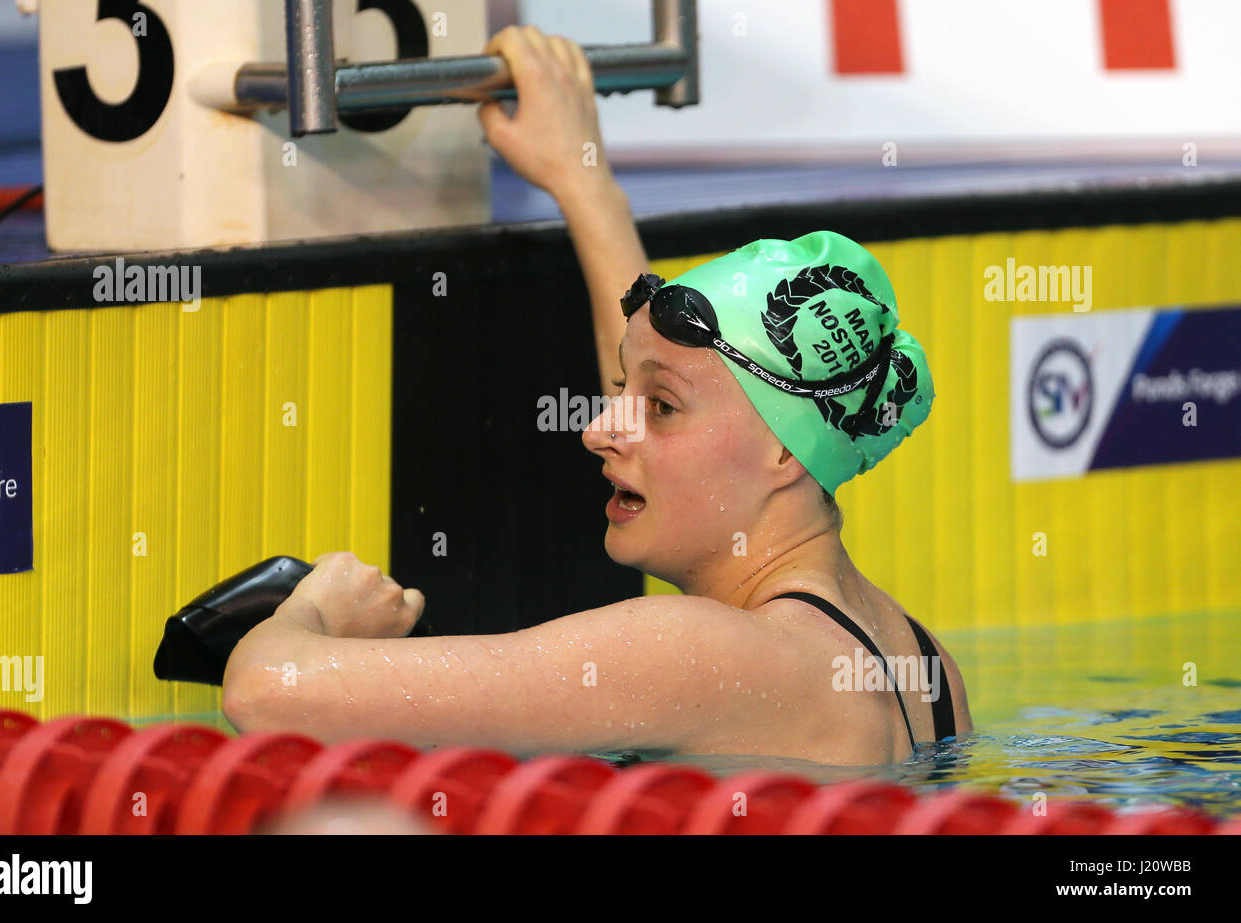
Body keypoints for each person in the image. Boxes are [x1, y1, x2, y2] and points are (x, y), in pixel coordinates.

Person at [223, 26, 971, 765]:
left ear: (783, 449)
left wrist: (318, 607)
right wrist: (582, 180)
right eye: (622, 389)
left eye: (662, 409)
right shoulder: (924, 666)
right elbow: (675, 367)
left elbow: (264, 692)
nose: (598, 431)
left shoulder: (700, 655)